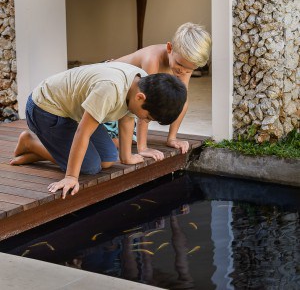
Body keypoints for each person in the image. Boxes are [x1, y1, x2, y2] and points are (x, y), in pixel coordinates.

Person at [10, 62, 187, 199]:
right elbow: (83, 133)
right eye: (147, 117)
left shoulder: (143, 83)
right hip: (45, 109)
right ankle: (31, 143)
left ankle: (40, 150)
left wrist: (126, 157)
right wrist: (71, 176)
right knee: (90, 167)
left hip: (76, 112)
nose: (144, 120)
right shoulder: (110, 89)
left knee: (109, 159)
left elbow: (127, 116)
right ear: (141, 97)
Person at [104, 22, 212, 161]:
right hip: (110, 87)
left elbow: (181, 99)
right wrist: (143, 147)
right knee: (117, 144)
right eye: (179, 64)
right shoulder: (152, 60)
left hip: (129, 100)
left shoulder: (185, 63)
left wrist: (172, 138)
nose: (182, 71)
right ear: (169, 48)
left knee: (128, 137)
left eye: (189, 70)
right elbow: (146, 100)